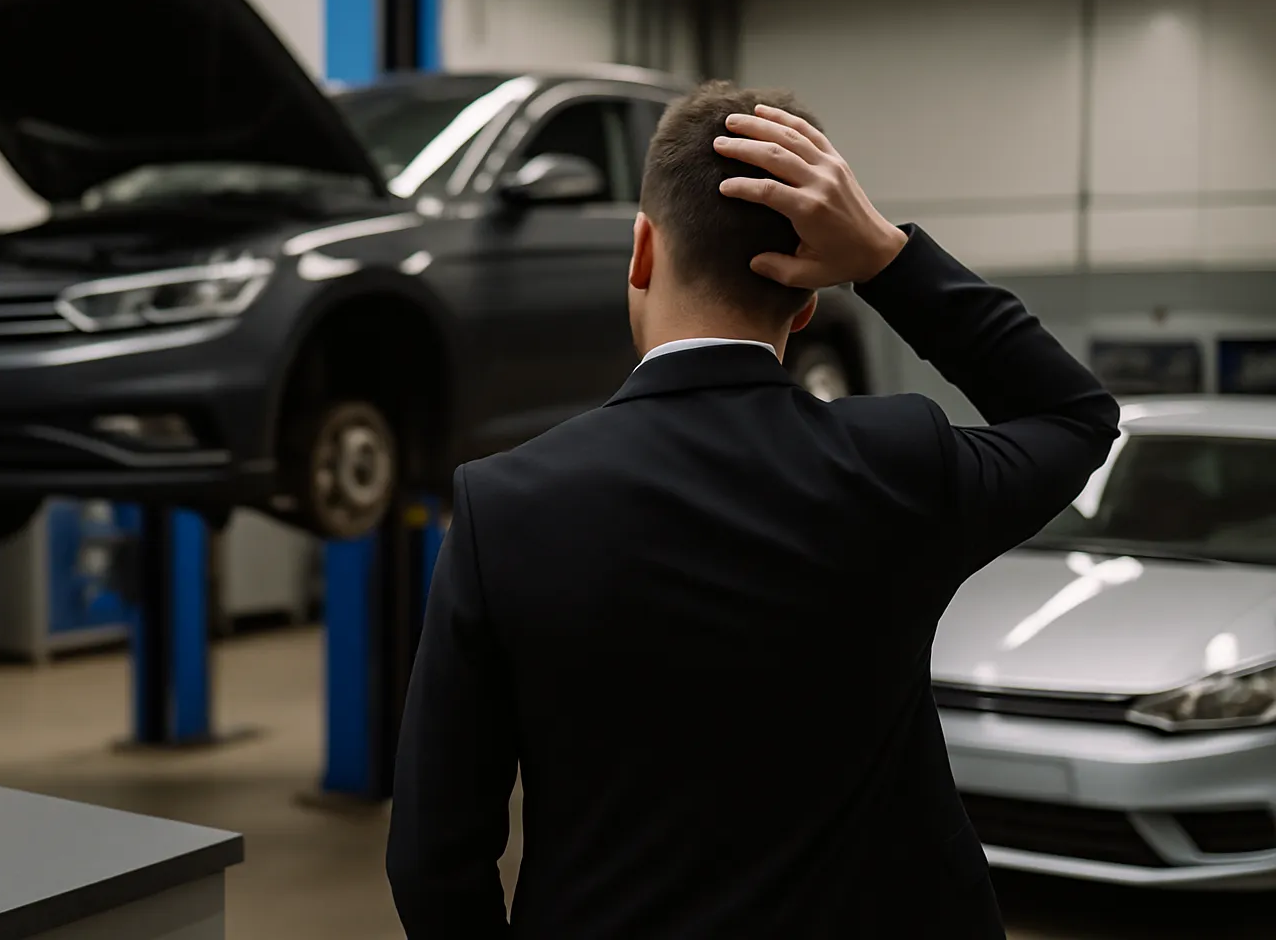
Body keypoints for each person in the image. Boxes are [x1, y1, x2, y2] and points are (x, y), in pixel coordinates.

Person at [385, 81, 1120, 938]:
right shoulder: (897, 464)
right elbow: (1074, 416)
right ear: (808, 299)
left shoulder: (503, 507)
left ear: (642, 252)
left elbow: (434, 855)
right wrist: (886, 259)